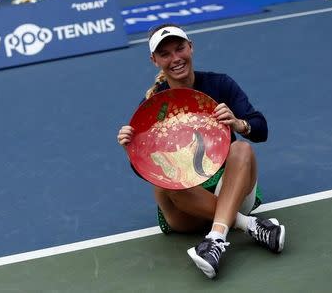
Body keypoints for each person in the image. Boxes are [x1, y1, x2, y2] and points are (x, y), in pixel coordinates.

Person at [116, 23, 285, 279]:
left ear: (191, 47)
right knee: (164, 183)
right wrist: (133, 147)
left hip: (231, 189)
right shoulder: (154, 106)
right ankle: (248, 225)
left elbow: (260, 129)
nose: (175, 58)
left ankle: (215, 240)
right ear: (154, 61)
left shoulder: (220, 84)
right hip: (187, 209)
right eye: (165, 54)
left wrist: (239, 123)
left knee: (241, 147)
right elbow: (145, 171)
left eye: (179, 48)